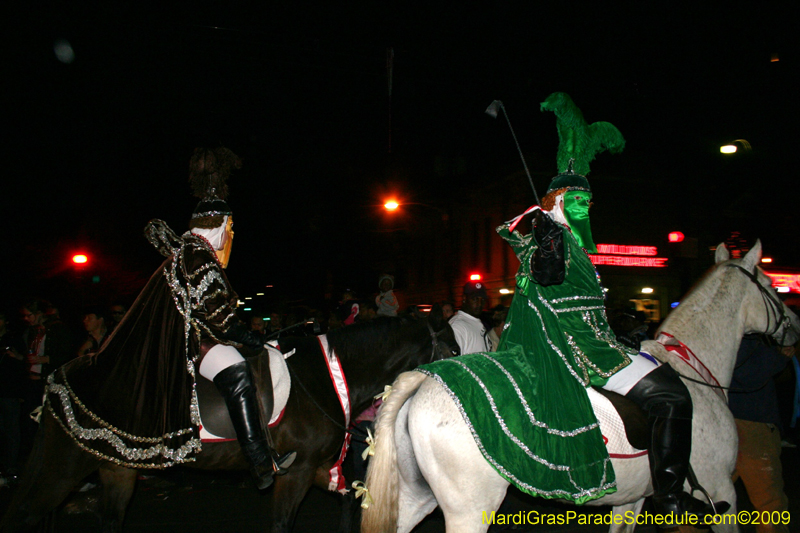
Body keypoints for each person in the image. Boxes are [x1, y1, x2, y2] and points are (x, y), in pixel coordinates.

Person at [44, 147, 294, 490]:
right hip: (189, 342)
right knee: (237, 371)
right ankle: (261, 462)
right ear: (220, 226)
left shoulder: (189, 253)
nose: (233, 236)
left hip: (195, 335)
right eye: (231, 227)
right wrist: (247, 336)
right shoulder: (198, 257)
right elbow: (217, 315)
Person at [728, 335, 793, 533]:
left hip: (725, 420)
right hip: (752, 423)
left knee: (709, 497)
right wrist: (780, 355)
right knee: (769, 502)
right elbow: (750, 374)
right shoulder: (746, 339)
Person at [449, 281, 490, 354]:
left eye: (482, 300)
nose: (479, 304)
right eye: (475, 299)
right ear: (464, 298)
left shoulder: (475, 321)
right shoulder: (457, 326)